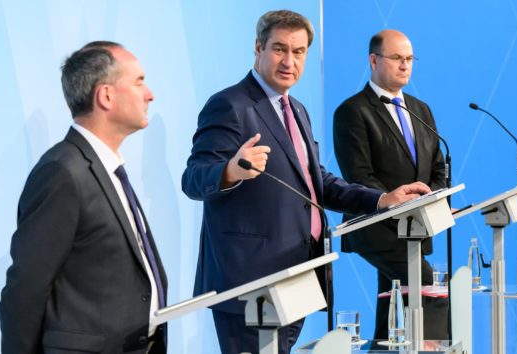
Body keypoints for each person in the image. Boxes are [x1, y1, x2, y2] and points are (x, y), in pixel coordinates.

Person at [181, 11, 431, 354]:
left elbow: (318, 184)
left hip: (298, 273)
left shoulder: (296, 108)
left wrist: (381, 199)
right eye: (279, 49)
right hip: (251, 283)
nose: (289, 61)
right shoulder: (230, 105)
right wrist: (230, 171)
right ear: (258, 48)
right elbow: (193, 178)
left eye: (298, 52)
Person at [0, 41, 168, 353]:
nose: (150, 94)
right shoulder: (63, 171)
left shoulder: (107, 169)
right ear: (105, 95)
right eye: (139, 82)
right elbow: (26, 289)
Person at [333, 29, 447, 340]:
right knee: (427, 291)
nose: (405, 65)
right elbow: (358, 176)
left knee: (389, 314)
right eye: (397, 58)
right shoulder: (352, 111)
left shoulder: (421, 110)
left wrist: (429, 201)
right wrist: (399, 204)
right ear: (373, 60)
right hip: (376, 228)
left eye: (410, 59)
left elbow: (439, 167)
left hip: (415, 229)